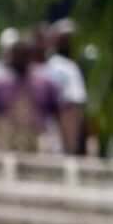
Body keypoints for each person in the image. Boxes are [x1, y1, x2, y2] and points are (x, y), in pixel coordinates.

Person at [0, 32, 61, 153]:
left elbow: (57, 116)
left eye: (23, 54)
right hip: (6, 145)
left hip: (37, 144)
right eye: (17, 55)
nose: (20, 58)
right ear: (11, 56)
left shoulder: (44, 84)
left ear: (30, 56)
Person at [42, 20, 88, 156]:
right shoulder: (66, 68)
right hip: (60, 140)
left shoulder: (49, 65)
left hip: (50, 139)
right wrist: (71, 145)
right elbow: (71, 108)